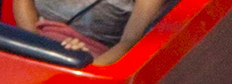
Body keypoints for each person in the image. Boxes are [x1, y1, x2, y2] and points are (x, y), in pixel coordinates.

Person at [14, 0, 168, 64]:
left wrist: (87, 67)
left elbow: (130, 41)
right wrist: (39, 51)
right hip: (36, 47)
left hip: (98, 60)